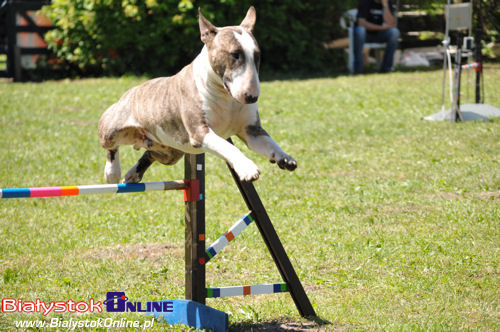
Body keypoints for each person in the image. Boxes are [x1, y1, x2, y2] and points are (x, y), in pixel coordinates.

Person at [354, 0, 400, 73]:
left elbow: (391, 24)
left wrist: (385, 5)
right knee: (360, 30)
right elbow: (361, 23)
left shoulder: (388, 3)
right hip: (365, 35)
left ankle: (386, 68)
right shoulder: (365, 2)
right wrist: (382, 28)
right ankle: (358, 69)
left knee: (394, 32)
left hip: (380, 35)